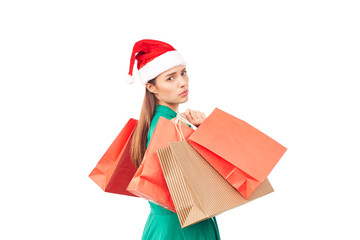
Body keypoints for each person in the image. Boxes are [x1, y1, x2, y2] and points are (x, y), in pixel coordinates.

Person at [127, 39, 221, 240]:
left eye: (183, 73)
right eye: (170, 78)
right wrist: (207, 134)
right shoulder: (168, 128)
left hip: (169, 225)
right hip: (182, 230)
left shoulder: (158, 124)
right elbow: (197, 188)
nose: (183, 82)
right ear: (151, 87)